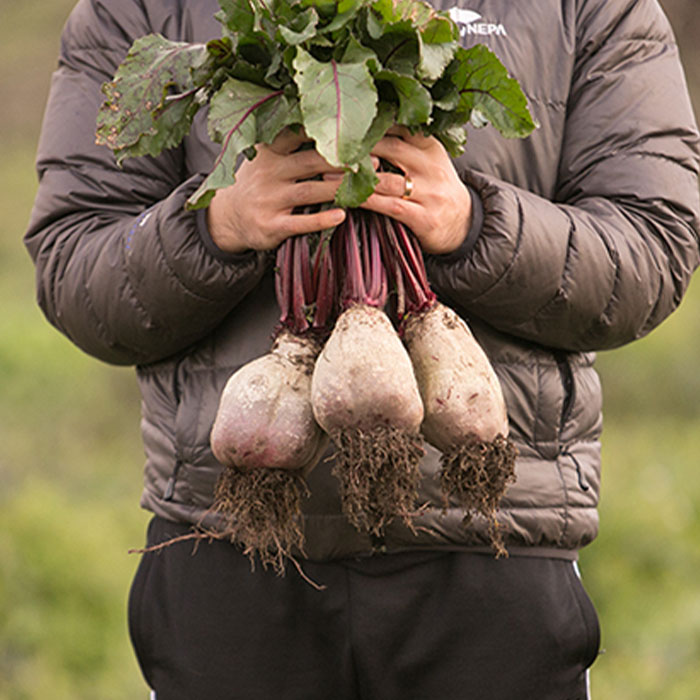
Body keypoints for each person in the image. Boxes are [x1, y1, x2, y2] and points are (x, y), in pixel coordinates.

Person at [25, 0, 700, 698]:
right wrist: (217, 223)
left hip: (494, 551)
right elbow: (75, 269)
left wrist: (473, 222)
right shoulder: (142, 9)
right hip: (232, 547)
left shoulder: (585, 9)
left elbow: (654, 249)